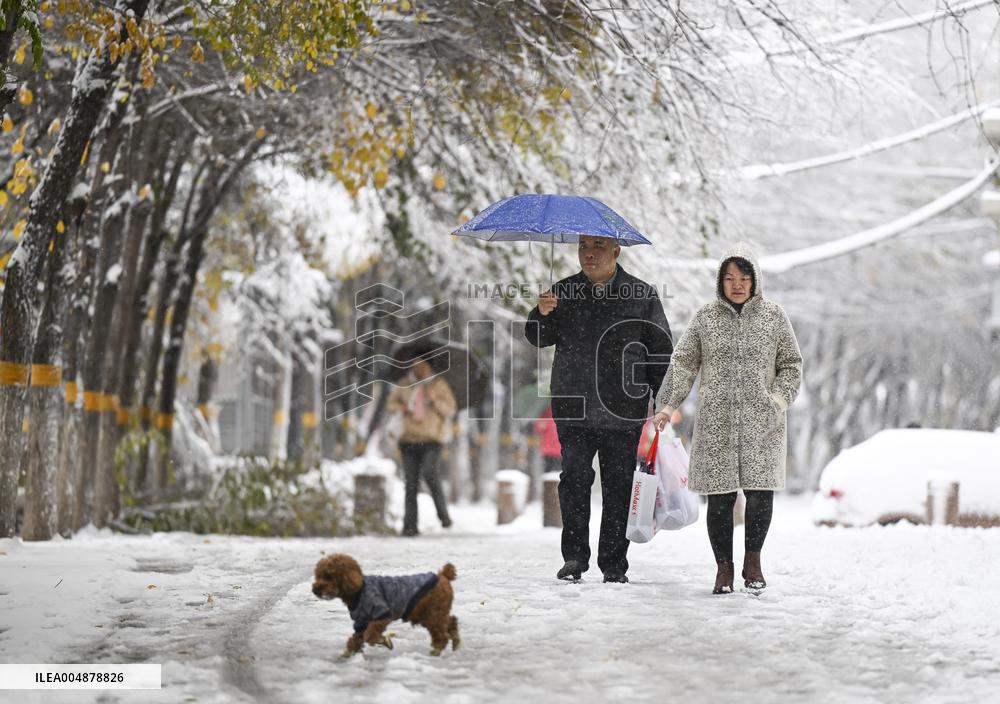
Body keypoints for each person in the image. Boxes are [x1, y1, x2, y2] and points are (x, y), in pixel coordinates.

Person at [653, 242, 802, 594]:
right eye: (730, 278)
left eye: (744, 277)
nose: (737, 284)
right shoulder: (705, 317)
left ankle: (753, 562)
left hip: (762, 424)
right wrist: (666, 405)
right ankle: (724, 568)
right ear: (720, 281)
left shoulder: (773, 317)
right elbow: (684, 362)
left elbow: (792, 365)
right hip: (716, 423)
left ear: (755, 280)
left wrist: (777, 400)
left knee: (760, 495)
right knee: (720, 499)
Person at [525, 234, 673, 583]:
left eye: (598, 247)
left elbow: (660, 352)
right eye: (583, 247)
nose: (589, 254)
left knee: (619, 485)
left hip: (624, 407)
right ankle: (575, 558)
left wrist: (663, 401)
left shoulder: (641, 295)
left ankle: (613, 563)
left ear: (616, 251)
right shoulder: (562, 292)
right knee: (573, 480)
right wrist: (540, 313)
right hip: (573, 406)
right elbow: (537, 336)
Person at [387, 359, 457, 536]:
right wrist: (401, 407)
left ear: (429, 367)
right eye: (415, 366)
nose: (418, 370)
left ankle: (443, 514)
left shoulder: (439, 385)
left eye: (422, 366)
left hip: (432, 440)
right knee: (410, 484)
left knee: (429, 473)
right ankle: (410, 525)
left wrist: (434, 400)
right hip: (408, 440)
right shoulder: (404, 385)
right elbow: (390, 404)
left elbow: (450, 410)